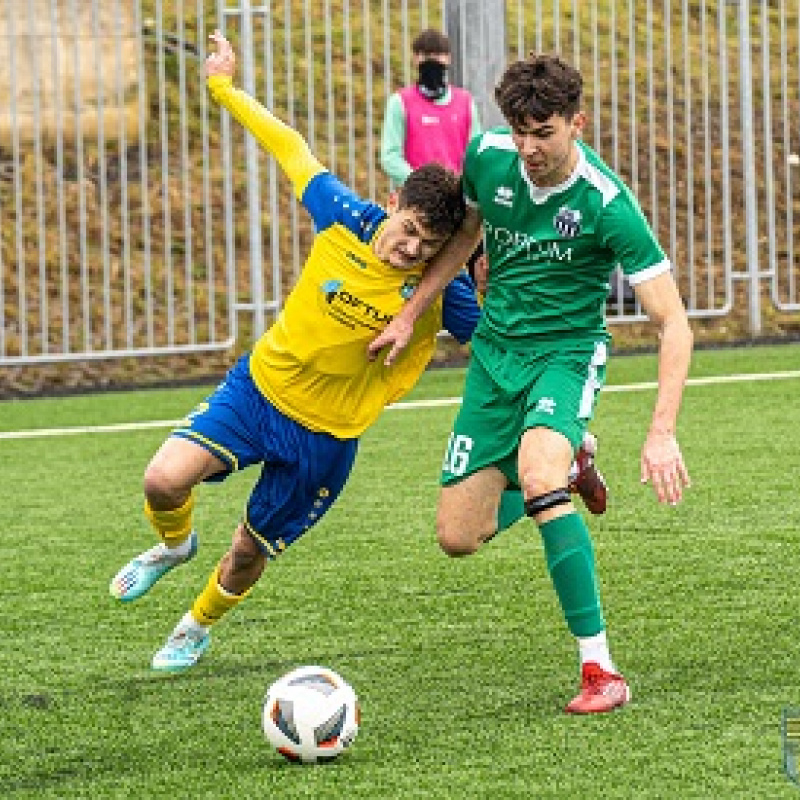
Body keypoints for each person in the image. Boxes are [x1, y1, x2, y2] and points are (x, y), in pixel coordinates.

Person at [109, 34, 606, 674]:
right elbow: (289, 147)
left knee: (247, 552)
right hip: (257, 394)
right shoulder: (342, 214)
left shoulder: (441, 293)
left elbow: (499, 337)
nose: (410, 250)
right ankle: (172, 548)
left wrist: (553, 405)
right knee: (162, 478)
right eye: (407, 232)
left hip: (327, 438)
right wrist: (223, 89)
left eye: (428, 245)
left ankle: (194, 627)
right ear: (391, 204)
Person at [369, 53, 693, 714]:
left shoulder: (607, 204)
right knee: (459, 537)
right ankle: (571, 470)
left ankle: (600, 668)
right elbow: (463, 238)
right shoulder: (488, 157)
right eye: (519, 131)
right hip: (494, 358)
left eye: (542, 133)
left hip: (565, 356)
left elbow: (675, 322)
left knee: (537, 474)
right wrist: (410, 313)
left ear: (577, 123)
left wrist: (661, 433)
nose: (528, 147)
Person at [380, 28, 481, 187]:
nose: (432, 61)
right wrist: (422, 185)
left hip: (454, 197)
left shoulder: (466, 102)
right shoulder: (399, 102)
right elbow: (390, 157)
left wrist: (458, 186)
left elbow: (475, 155)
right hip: (412, 198)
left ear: (448, 58)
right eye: (426, 55)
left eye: (438, 55)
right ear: (415, 58)